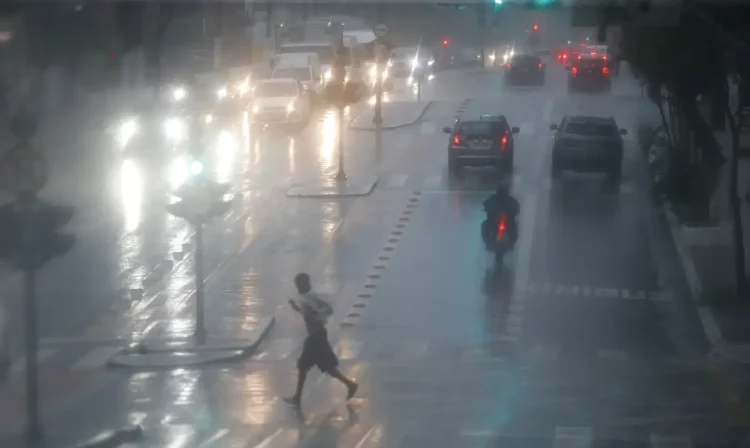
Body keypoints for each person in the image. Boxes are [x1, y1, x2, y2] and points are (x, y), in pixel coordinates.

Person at [283, 273, 358, 407]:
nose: (297, 288)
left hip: (315, 337)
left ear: (303, 285)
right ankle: (350, 384)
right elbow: (320, 311)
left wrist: (317, 317)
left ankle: (297, 398)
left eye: (298, 285)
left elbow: (323, 311)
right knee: (328, 367)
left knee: (303, 365)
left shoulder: (308, 299)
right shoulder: (308, 298)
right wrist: (298, 309)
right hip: (318, 335)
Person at [482, 180, 520, 246]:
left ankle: (487, 241)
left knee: (485, 225)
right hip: (500, 223)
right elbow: (516, 209)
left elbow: (486, 205)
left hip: (503, 223)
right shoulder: (510, 200)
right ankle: (487, 240)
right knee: (485, 224)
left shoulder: (493, 199)